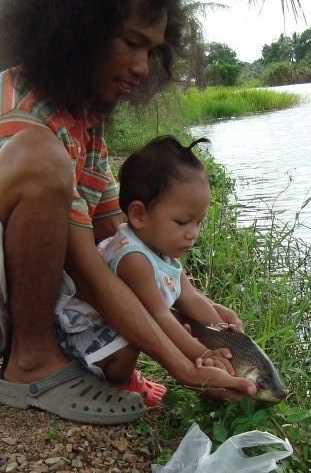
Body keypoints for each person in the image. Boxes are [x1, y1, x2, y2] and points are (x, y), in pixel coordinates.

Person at [0, 0, 256, 425]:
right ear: (83, 30)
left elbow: (115, 239)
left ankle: (47, 355)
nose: (143, 66)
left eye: (152, 51)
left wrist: (196, 321)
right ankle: (31, 364)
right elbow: (87, 268)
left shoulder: (83, 117)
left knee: (115, 324)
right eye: (131, 43)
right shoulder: (22, 113)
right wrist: (184, 366)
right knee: (39, 156)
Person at [55, 135, 237, 408]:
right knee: (133, 343)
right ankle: (115, 380)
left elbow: (189, 297)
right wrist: (204, 353)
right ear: (139, 214)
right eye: (182, 222)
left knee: (179, 322)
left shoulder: (159, 245)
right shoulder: (133, 258)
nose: (193, 234)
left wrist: (224, 332)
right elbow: (159, 317)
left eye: (199, 222)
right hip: (82, 337)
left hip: (112, 323)